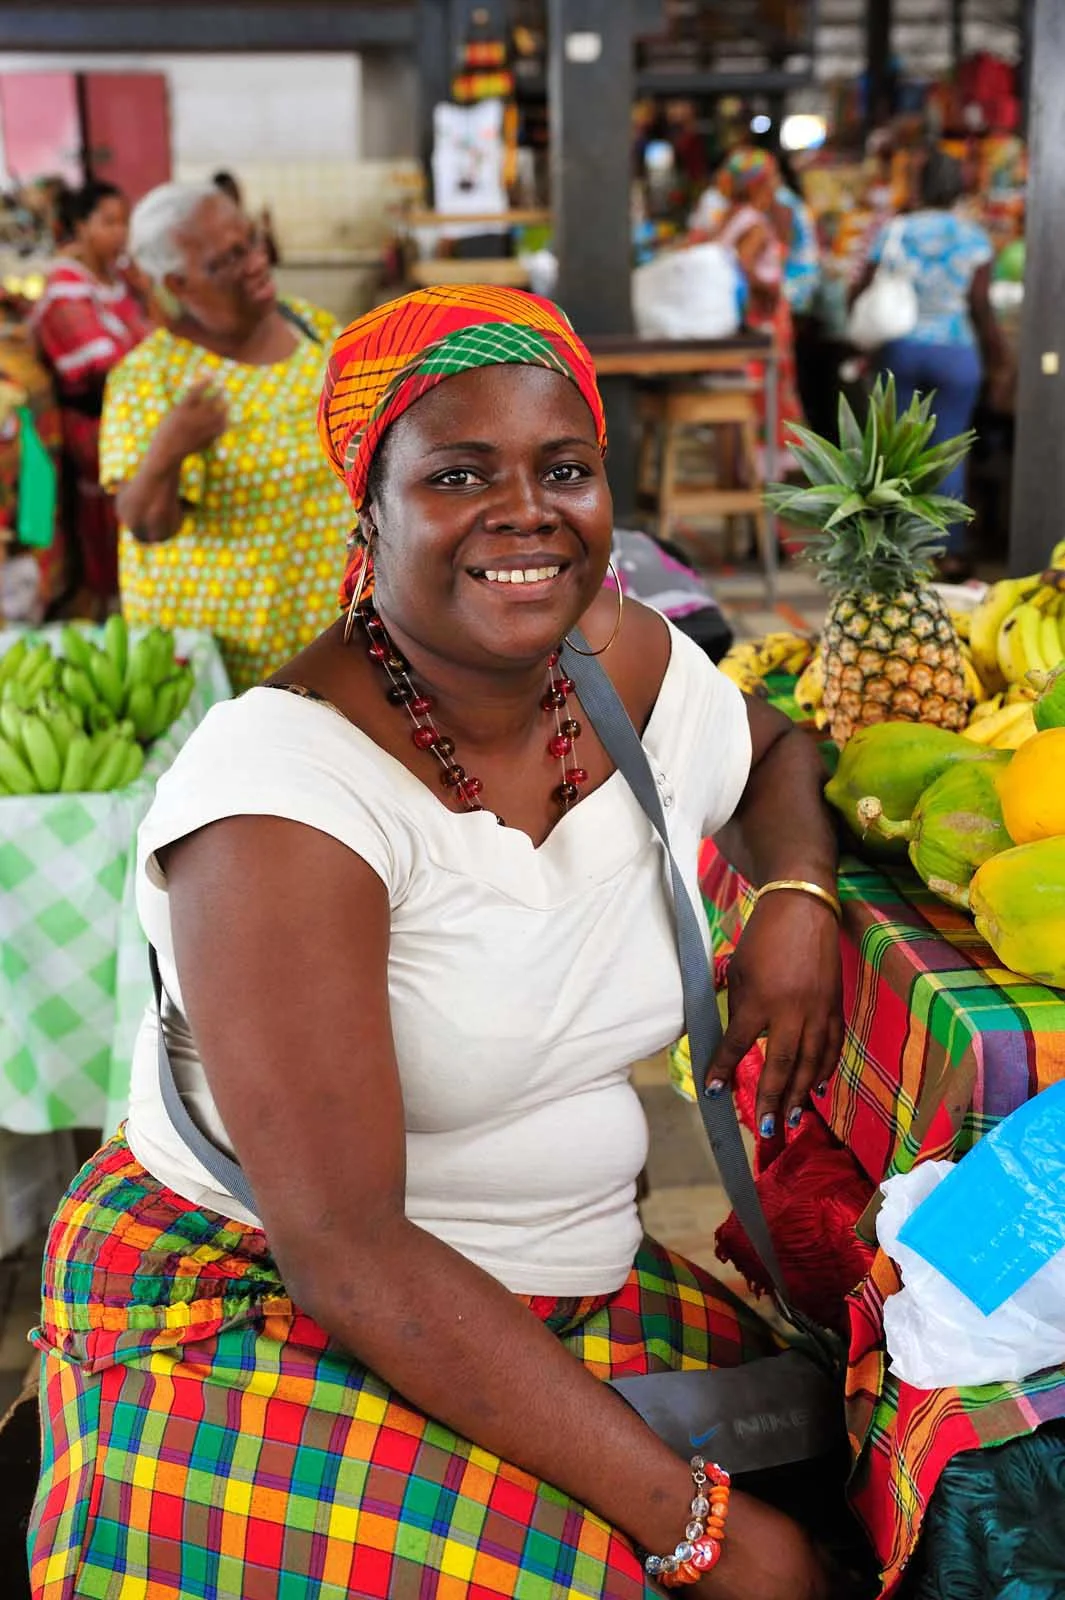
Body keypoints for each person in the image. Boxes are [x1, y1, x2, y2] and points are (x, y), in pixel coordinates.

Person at [29, 286, 847, 1600]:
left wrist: (795, 903)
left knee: (863, 1453)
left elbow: (776, 752)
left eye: (563, 470)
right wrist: (695, 1524)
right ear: (371, 509)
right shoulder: (281, 799)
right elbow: (345, 1245)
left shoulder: (608, 664)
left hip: (556, 1279)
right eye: (459, 474)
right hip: (273, 1302)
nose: (526, 511)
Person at [99, 181, 349, 691]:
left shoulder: (312, 329)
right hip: (231, 658)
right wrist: (169, 449)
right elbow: (147, 524)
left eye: (251, 243)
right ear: (179, 284)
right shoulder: (154, 378)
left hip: (332, 636)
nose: (255, 263)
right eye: (226, 261)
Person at [850, 149, 1008, 580]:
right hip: (957, 352)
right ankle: (948, 552)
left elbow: (862, 285)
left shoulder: (897, 230)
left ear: (919, 185)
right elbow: (980, 304)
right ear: (960, 187)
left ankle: (896, 548)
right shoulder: (973, 236)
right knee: (949, 451)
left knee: (897, 451)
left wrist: (862, 336)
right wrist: (999, 360)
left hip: (901, 348)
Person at [31, 181, 149, 613]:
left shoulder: (119, 282)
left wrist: (148, 293)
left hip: (131, 421)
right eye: (108, 222)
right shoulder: (66, 287)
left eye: (124, 222)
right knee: (107, 523)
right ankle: (110, 601)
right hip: (95, 430)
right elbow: (105, 368)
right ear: (80, 226)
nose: (120, 233)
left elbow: (160, 343)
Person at [711, 148, 804, 467]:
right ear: (757, 184)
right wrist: (767, 288)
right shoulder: (755, 223)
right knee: (763, 402)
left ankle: (747, 474)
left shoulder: (729, 216)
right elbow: (739, 266)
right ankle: (761, 486)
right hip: (761, 323)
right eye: (772, 177)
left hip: (744, 321)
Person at [212, 167, 280, 265]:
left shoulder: (247, 226)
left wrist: (266, 229)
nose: (237, 198)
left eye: (237, 193)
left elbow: (273, 259)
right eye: (230, 194)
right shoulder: (212, 233)